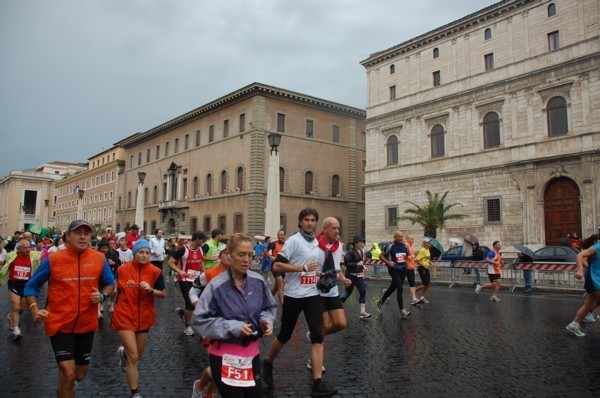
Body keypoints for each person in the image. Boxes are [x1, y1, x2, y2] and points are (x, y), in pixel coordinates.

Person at [24, 220, 115, 398]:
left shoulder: (98, 259)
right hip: (59, 323)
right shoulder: (54, 259)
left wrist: (102, 296)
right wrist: (34, 309)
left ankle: (67, 382)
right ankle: (66, 380)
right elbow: (31, 286)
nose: (82, 237)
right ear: (68, 236)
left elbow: (110, 284)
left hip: (86, 324)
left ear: (90, 237)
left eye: (86, 233)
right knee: (68, 372)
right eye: (77, 233)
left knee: (79, 375)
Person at [262, 208, 338, 397]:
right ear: (300, 222)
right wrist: (301, 268)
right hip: (294, 295)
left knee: (318, 335)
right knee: (285, 335)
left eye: (313, 220)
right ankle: (268, 363)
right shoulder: (293, 241)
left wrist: (320, 274)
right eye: (306, 220)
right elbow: (277, 265)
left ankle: (317, 383)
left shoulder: (318, 243)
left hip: (313, 295)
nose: (310, 223)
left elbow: (315, 268)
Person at [193, 233, 276, 398]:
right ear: (230, 256)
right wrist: (234, 327)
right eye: (241, 254)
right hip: (224, 356)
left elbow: (269, 307)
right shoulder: (216, 285)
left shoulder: (258, 281)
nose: (247, 260)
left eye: (250, 255)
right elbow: (199, 321)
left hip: (251, 355)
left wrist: (266, 321)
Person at [112, 239, 166, 398]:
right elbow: (113, 288)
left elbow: (163, 293)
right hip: (124, 314)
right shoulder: (122, 270)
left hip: (144, 316)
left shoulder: (155, 271)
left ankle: (124, 356)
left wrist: (150, 290)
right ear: (134, 253)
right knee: (134, 356)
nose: (144, 255)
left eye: (147, 253)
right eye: (141, 252)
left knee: (136, 357)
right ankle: (135, 393)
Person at [307, 217, 350, 372]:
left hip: (332, 291)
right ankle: (314, 361)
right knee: (324, 326)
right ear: (324, 229)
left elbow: (337, 268)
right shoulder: (314, 246)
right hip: (317, 291)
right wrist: (317, 273)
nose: (337, 231)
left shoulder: (338, 247)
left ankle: (315, 335)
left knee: (340, 324)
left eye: (338, 228)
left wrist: (343, 279)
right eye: (333, 228)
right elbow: (308, 267)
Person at [0, 239, 41, 341]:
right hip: (14, 284)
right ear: (19, 248)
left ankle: (11, 317)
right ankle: (16, 330)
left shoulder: (33, 256)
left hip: (26, 285)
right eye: (25, 248)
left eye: (29, 247)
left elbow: (44, 256)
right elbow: (5, 266)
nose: (28, 250)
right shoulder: (11, 256)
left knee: (22, 309)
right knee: (16, 306)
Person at [167, 230, 206, 336]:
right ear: (197, 239)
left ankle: (181, 312)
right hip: (184, 280)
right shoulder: (183, 250)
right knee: (190, 304)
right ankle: (188, 327)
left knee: (195, 303)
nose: (203, 242)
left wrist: (205, 273)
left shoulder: (201, 250)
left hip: (197, 280)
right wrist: (179, 271)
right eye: (202, 239)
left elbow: (200, 261)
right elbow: (170, 262)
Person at [566, 233, 600, 337]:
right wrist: (580, 271)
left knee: (589, 305)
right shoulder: (597, 247)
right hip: (595, 278)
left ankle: (574, 324)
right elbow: (579, 255)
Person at [377, 230, 411, 319]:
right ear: (394, 237)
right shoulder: (389, 246)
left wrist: (409, 256)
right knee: (400, 288)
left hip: (403, 269)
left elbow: (406, 255)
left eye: (402, 236)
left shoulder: (405, 247)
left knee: (392, 288)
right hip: (393, 269)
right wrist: (388, 262)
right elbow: (380, 256)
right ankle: (402, 310)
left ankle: (381, 302)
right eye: (399, 236)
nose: (401, 238)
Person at [340, 235, 371, 319]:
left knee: (363, 291)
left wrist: (363, 267)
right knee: (348, 293)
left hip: (359, 276)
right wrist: (356, 264)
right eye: (361, 242)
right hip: (351, 275)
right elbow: (347, 264)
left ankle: (362, 312)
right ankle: (338, 305)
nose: (363, 243)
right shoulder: (350, 252)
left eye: (363, 242)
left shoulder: (361, 251)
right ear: (356, 243)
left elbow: (360, 262)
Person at [98, 239, 121, 314]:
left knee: (114, 291)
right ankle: (101, 304)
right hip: (100, 275)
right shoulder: (97, 254)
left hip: (112, 274)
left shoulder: (113, 254)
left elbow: (118, 264)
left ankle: (111, 303)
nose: (105, 250)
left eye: (106, 248)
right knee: (101, 290)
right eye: (103, 248)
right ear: (100, 248)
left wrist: (113, 263)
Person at [268, 230, 286, 305]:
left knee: (276, 287)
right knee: (281, 286)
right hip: (276, 266)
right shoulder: (274, 243)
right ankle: (283, 305)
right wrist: (270, 256)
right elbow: (265, 251)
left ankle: (267, 300)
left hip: (284, 266)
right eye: (278, 235)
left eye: (281, 235)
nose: (280, 236)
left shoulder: (287, 244)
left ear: (284, 235)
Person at [415, 237, 432, 303]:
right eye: (428, 243)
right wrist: (424, 265)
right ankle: (414, 291)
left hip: (426, 268)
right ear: (425, 244)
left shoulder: (428, 250)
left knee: (428, 284)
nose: (429, 244)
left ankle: (422, 297)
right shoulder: (422, 250)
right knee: (425, 284)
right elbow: (417, 260)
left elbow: (426, 259)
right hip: (422, 268)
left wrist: (430, 263)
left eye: (430, 243)